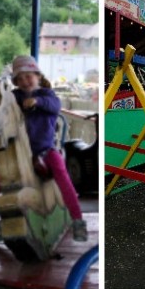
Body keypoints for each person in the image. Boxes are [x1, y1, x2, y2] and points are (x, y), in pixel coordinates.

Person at [10, 55, 87, 241]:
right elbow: (5, 103)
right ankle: (7, 220)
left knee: (61, 173)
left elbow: (55, 106)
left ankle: (78, 219)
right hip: (23, 152)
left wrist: (37, 102)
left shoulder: (47, 95)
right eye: (19, 79)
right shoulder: (16, 97)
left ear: (38, 76)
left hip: (45, 149)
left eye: (28, 76)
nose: (24, 81)